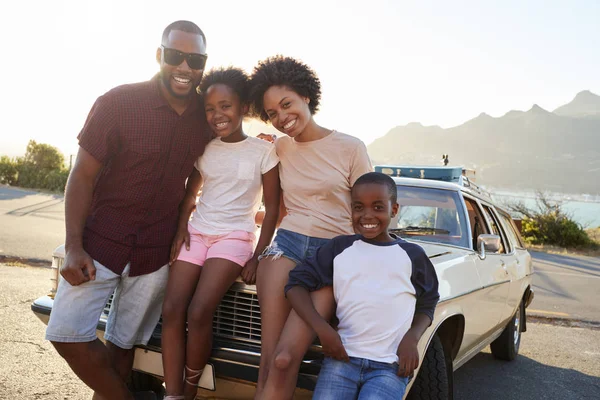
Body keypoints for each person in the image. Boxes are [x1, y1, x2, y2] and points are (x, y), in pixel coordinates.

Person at [45, 21, 211, 400]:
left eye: (195, 59)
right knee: (67, 336)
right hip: (98, 243)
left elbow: (228, 146)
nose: (185, 68)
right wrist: (73, 245)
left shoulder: (206, 116)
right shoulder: (117, 103)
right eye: (176, 56)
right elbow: (82, 177)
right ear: (159, 55)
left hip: (156, 252)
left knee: (123, 348)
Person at [248, 55, 373, 399]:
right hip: (284, 247)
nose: (282, 118)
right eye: (272, 113)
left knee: (287, 358)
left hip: (331, 255)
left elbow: (368, 214)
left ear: (306, 95)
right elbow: (271, 203)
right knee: (269, 358)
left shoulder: (350, 147)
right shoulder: (279, 148)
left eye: (286, 104)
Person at [161, 67, 280, 400]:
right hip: (196, 233)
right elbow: (191, 193)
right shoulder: (205, 147)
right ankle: (172, 394)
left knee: (199, 311)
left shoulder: (264, 152)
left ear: (243, 107)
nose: (217, 115)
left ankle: (189, 389)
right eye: (210, 109)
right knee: (172, 308)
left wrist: (259, 255)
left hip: (234, 238)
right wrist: (181, 226)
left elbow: (272, 209)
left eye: (225, 106)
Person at [286, 172, 440, 399]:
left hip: (389, 366)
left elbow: (428, 301)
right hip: (341, 360)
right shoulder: (339, 248)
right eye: (359, 207)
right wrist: (323, 330)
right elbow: (294, 285)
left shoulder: (412, 255)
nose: (367, 215)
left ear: (394, 210)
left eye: (378, 207)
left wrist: (412, 338)